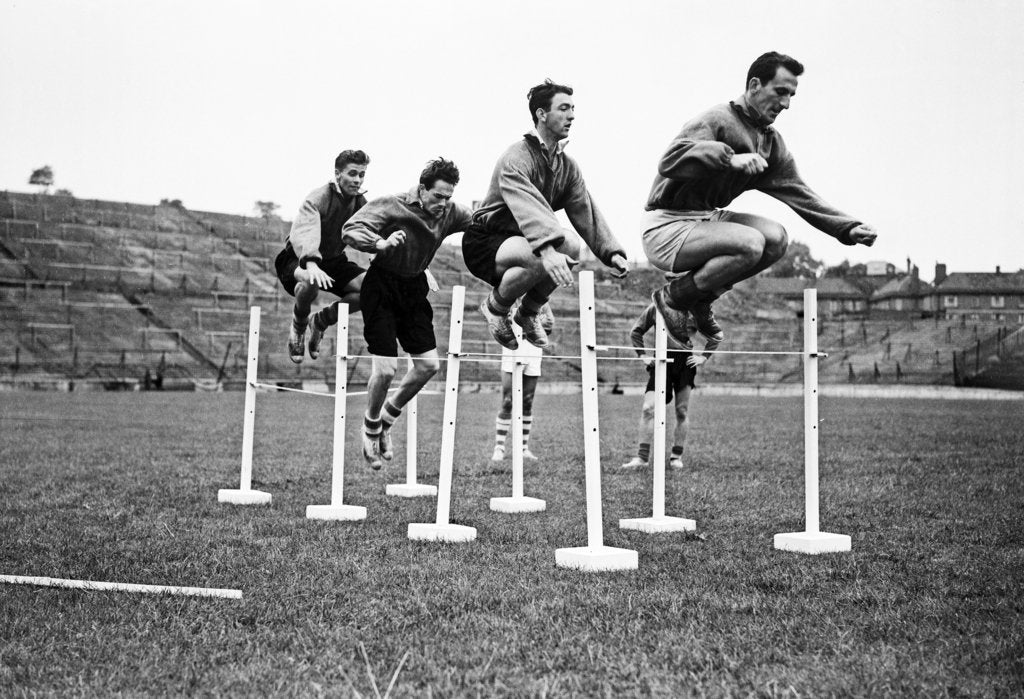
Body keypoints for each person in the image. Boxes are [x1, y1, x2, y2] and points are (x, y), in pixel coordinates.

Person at [643, 51, 878, 346]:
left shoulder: (771, 142)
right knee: (750, 243)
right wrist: (729, 159)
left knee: (776, 238)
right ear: (755, 85)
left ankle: (701, 297)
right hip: (666, 226)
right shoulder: (716, 119)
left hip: (706, 218)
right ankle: (671, 298)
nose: (786, 104)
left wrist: (846, 227)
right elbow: (670, 160)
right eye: (780, 92)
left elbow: (799, 191)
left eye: (792, 95)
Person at [462, 79, 630, 351]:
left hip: (527, 241)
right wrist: (548, 252)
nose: (572, 115)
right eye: (563, 108)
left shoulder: (567, 166)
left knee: (572, 244)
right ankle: (495, 308)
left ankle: (528, 313)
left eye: (573, 108)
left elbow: (584, 210)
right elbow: (527, 207)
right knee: (543, 256)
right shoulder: (516, 157)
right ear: (541, 114)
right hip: (486, 240)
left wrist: (611, 252)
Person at [342, 158, 473, 469]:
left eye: (449, 197)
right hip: (382, 285)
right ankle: (371, 425)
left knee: (429, 365)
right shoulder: (393, 204)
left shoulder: (451, 212)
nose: (444, 203)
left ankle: (387, 417)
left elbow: (484, 221)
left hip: (414, 287)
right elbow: (350, 230)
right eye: (438, 196)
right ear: (422, 188)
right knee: (386, 370)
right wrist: (380, 242)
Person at [274, 150, 370, 364]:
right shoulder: (318, 198)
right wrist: (311, 263)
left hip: (334, 261)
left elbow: (380, 228)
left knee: (371, 288)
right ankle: (298, 327)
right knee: (310, 281)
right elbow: (306, 233)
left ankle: (320, 321)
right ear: (338, 174)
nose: (357, 180)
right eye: (352, 173)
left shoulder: (361, 203)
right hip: (296, 259)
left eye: (361, 175)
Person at [621, 302, 719, 470]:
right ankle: (642, 458)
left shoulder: (697, 307)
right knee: (648, 408)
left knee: (682, 411)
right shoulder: (657, 307)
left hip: (684, 362)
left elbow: (715, 334)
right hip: (660, 360)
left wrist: (704, 356)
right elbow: (636, 331)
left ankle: (676, 456)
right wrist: (642, 354)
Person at [491, 325, 545, 463]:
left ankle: (523, 448)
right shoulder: (510, 302)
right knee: (508, 400)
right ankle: (499, 447)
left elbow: (549, 323)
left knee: (527, 401)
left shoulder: (542, 303)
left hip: (534, 347)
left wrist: (537, 326)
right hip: (513, 344)